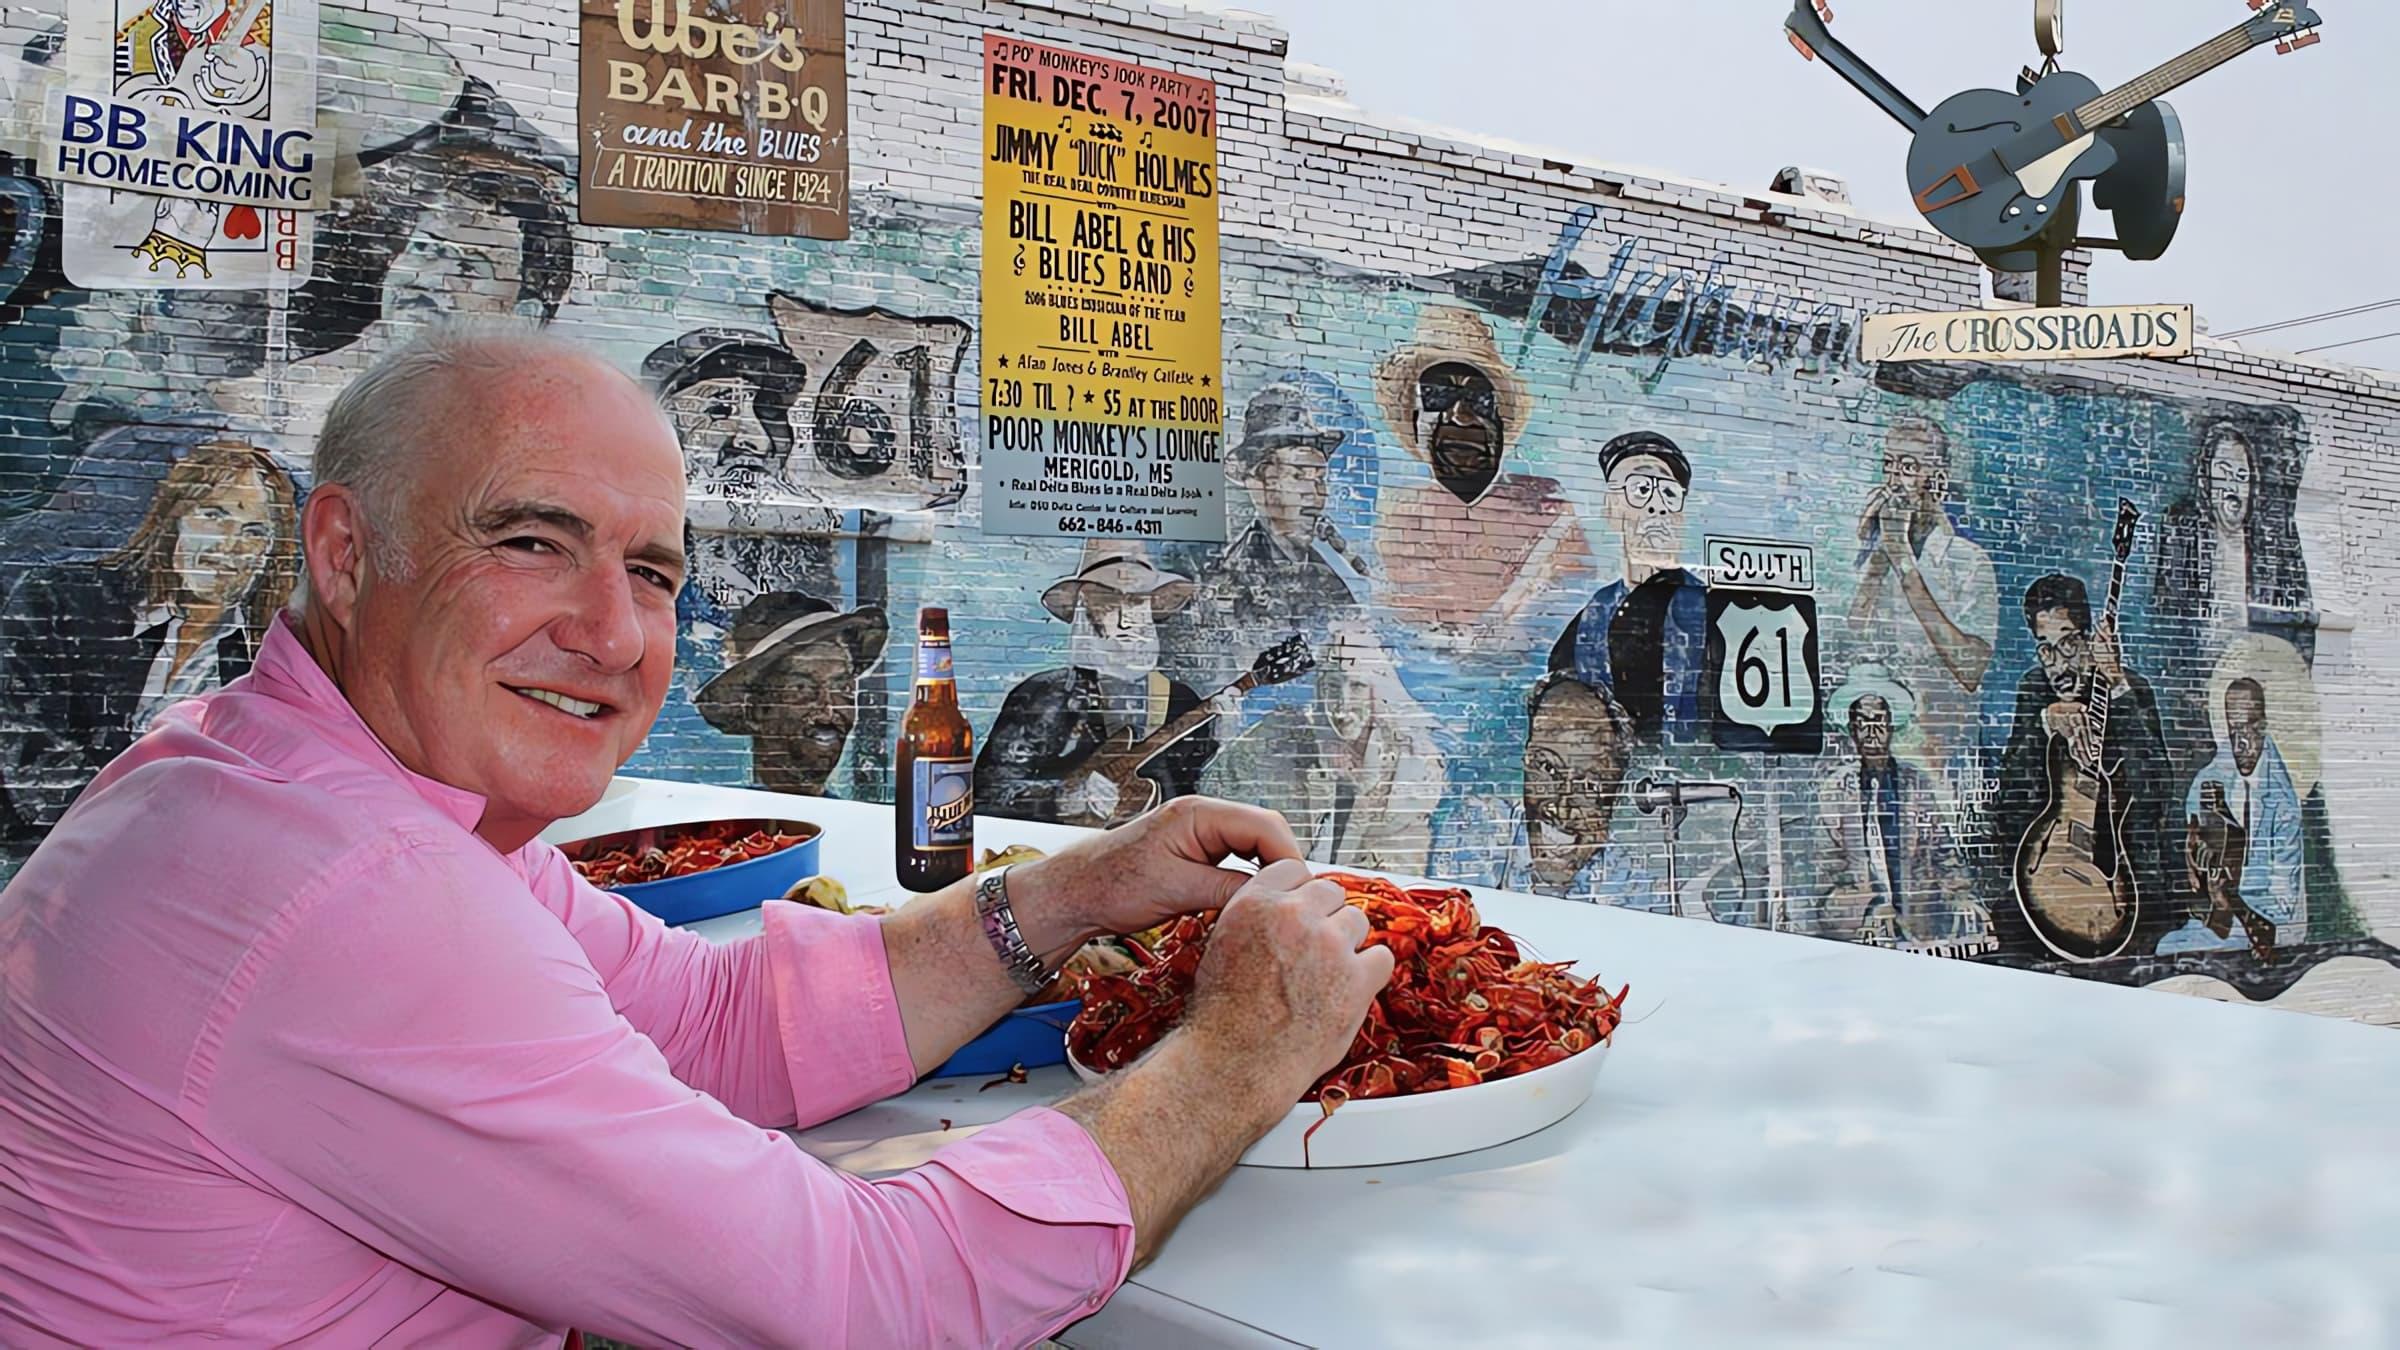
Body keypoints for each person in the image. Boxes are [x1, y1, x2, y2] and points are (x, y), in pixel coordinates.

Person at [0, 326, 1393, 1345]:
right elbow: (856, 1300)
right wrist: (1235, 1057)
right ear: (348, 552)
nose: (613, 633)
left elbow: (712, 1020)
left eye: (653, 570)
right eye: (533, 542)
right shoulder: (359, 890)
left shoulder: (299, 783)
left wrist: (1086, 886)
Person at [0, 438, 299, 835]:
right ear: (173, 519)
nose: (230, 545)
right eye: (213, 515)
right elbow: (30, 761)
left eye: (254, 531)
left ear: (269, 554)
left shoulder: (263, 660)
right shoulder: (57, 600)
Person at [1370, 307, 1587, 640]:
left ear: (1500, 419)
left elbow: (1571, 608)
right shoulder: (1397, 520)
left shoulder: (1549, 510)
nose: (1460, 416)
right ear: (1415, 418)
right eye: (1438, 395)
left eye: (1478, 398)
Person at [978, 540, 1228, 826]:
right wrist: (1061, 798)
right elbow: (988, 793)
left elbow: (1189, 797)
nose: (1127, 621)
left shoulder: (1181, 703)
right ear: (1085, 614)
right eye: (1110, 605)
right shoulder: (1044, 696)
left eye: (1136, 602)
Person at [1992, 573, 2175, 956]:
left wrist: (2117, 687)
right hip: (2051, 878)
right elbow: (2010, 807)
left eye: (2069, 644)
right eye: (2045, 649)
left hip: (2126, 883)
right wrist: (2044, 726)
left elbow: (2157, 791)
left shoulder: (2130, 690)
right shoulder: (2034, 691)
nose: (2057, 664)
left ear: (2092, 640)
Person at [1202, 615, 1448, 873]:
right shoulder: (1282, 735)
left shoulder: (1412, 765)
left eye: (1357, 686)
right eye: (1332, 686)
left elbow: (1402, 867)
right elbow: (1214, 792)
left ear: (1379, 690)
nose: (1342, 704)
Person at [1844, 418, 1997, 778]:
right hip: (1879, 753)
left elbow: (1971, 668)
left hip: (1941, 759)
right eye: (1889, 466)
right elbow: (1852, 635)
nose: (1894, 482)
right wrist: (1880, 555)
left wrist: (1902, 560)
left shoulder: (1967, 561)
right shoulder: (1879, 559)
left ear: (1938, 482)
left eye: (1909, 467)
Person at [1432, 674, 1657, 910]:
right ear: (1525, 760)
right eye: (1548, 768)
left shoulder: (1632, 881)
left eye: (1590, 785)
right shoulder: (1477, 828)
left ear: (1615, 795)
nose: (1562, 807)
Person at [1803, 665, 1981, 947]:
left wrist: (1961, 895)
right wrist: (1868, 909)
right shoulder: (1835, 792)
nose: (1871, 733)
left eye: (1879, 722)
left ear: (1890, 726)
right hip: (1864, 935)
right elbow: (1827, 878)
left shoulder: (1914, 783)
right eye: (1862, 723)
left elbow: (1942, 850)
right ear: (1852, 730)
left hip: (1919, 927)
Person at [1550, 430, 1710, 742]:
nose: (1657, 507)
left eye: (1669, 493)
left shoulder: (1711, 610)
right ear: (1610, 508)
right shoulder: (1589, 620)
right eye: (1640, 490)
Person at [2160, 677, 2306, 956]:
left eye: (2251, 729)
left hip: (2262, 919)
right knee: (2168, 947)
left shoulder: (2283, 804)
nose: (2242, 744)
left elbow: (2283, 902)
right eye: (2233, 729)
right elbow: (2193, 826)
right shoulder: (2213, 776)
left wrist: (2233, 903)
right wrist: (2195, 853)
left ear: (2264, 725)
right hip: (2218, 914)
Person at [692, 592, 886, 796]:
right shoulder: (730, 821)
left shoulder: (856, 823)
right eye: (801, 688)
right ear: (755, 709)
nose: (828, 711)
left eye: (843, 689)